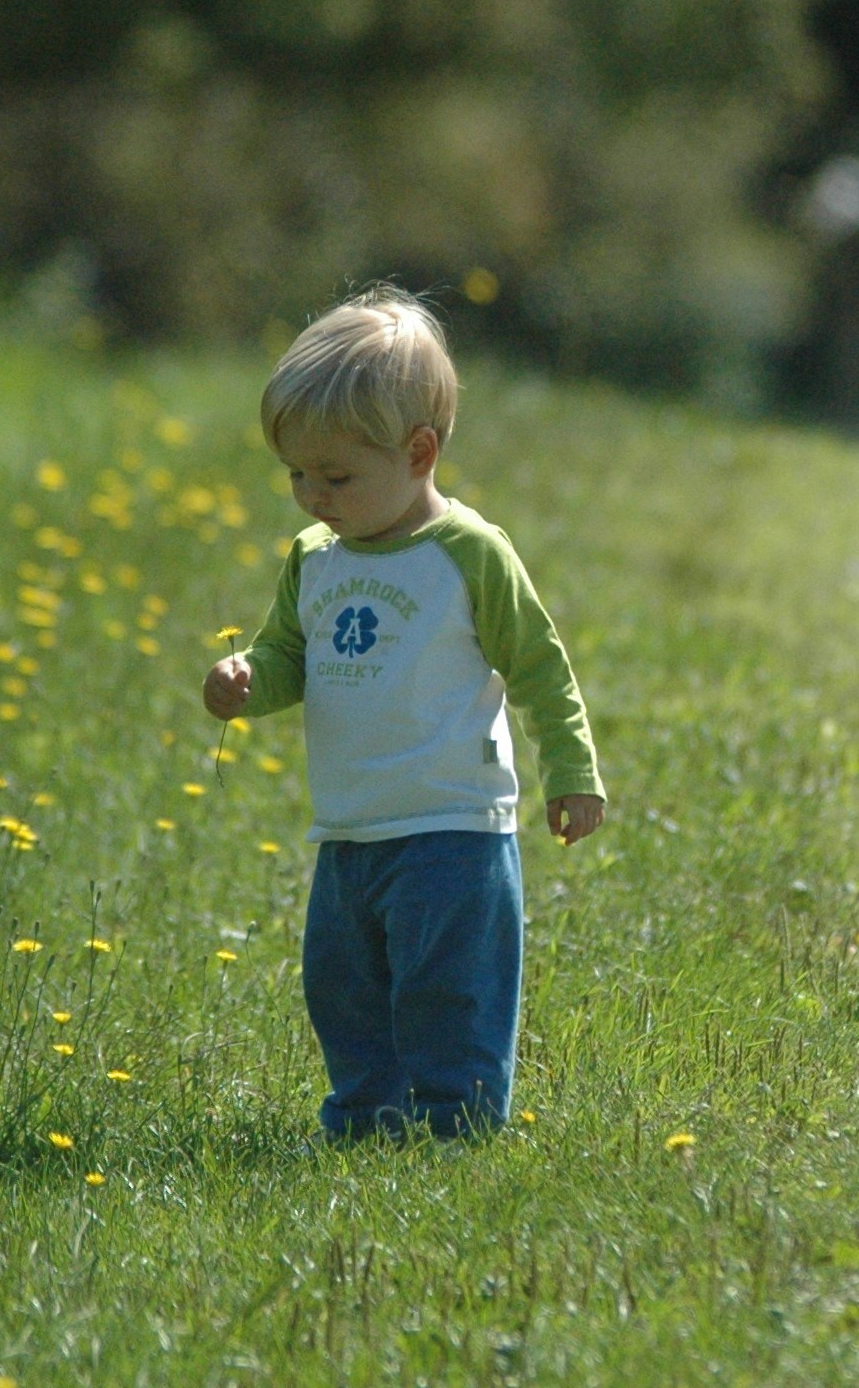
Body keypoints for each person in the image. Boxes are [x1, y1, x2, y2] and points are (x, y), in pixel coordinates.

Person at [202, 286, 603, 1139]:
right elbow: (289, 656)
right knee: (342, 984)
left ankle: (455, 1127)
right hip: (349, 831)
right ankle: (365, 1120)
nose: (313, 495)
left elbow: (539, 667)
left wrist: (571, 773)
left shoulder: (466, 554)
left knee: (449, 985)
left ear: (420, 451)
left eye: (337, 475)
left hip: (453, 823)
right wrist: (245, 682)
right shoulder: (315, 557)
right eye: (297, 474)